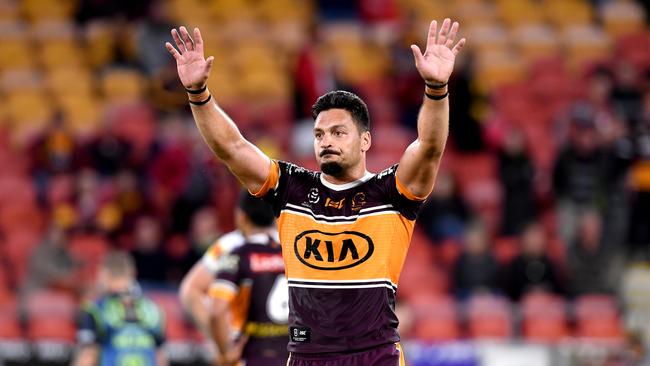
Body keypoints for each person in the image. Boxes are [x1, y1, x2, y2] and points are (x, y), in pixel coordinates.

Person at [166, 18, 465, 365]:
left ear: (365, 139)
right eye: (320, 134)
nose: (326, 142)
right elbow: (232, 148)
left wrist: (436, 89)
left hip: (375, 356)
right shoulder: (292, 189)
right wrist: (199, 95)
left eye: (339, 132)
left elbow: (429, 146)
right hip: (307, 356)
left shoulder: (391, 193)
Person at [179, 192, 286, 366]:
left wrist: (222, 344)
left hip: (246, 351)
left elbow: (191, 291)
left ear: (241, 216)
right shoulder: (294, 243)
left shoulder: (232, 245)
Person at [73, 251, 167, 366]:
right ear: (133, 273)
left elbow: (88, 356)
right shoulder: (154, 309)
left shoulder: (94, 310)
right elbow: (160, 358)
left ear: (104, 274)